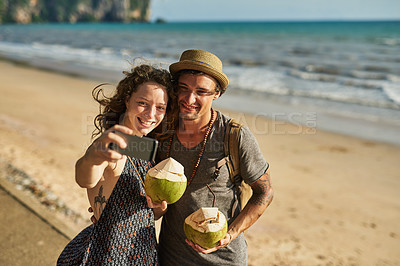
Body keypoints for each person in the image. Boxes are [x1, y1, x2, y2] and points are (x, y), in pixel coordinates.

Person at [149, 49, 274, 265]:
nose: (190, 99)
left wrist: (231, 233)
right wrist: (101, 200)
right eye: (183, 88)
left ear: (216, 94)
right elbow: (121, 159)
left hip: (223, 259)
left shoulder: (234, 135)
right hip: (171, 256)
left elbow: (265, 192)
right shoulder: (159, 128)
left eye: (201, 91)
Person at [57, 64, 175, 265]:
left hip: (141, 254)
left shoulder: (144, 149)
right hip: (109, 256)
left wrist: (159, 208)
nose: (150, 114)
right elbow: (85, 178)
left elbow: (147, 214)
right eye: (143, 103)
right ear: (127, 100)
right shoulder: (110, 145)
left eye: (160, 108)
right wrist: (95, 157)